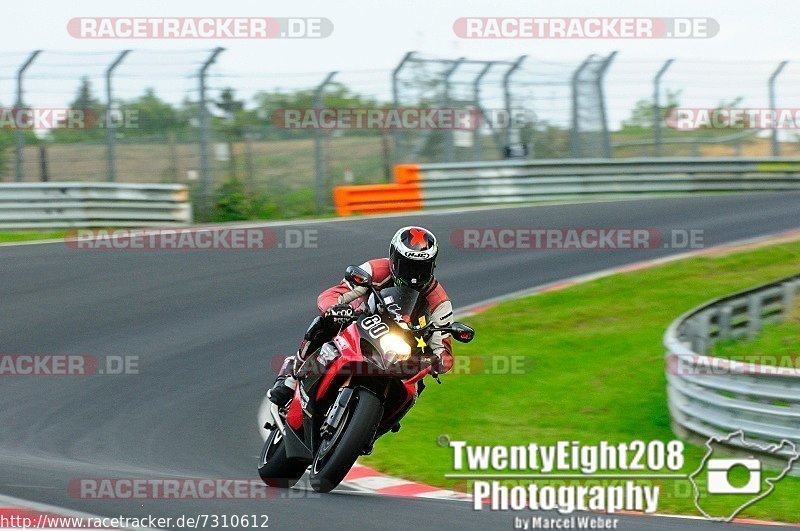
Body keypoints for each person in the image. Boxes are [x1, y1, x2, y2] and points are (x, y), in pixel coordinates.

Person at [267, 226, 454, 406]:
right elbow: (331, 295)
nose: (413, 276)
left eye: (421, 268)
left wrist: (437, 362)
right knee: (325, 322)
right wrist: (336, 309)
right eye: (408, 266)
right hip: (361, 325)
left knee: (415, 388)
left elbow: (444, 350)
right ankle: (292, 374)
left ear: (432, 266)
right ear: (393, 259)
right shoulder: (374, 270)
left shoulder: (440, 302)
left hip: (403, 353)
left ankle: (374, 425)